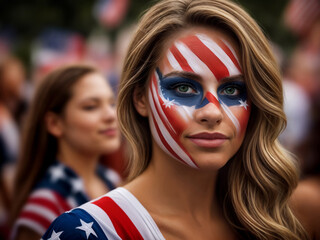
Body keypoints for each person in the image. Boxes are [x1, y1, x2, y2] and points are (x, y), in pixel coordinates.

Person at [42, 0, 309, 239]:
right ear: (140, 99)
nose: (212, 112)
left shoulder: (275, 220)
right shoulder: (91, 231)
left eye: (232, 90)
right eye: (183, 88)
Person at [10, 64, 121, 240]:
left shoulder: (112, 179)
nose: (111, 115)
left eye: (111, 103)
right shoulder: (44, 206)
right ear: (55, 123)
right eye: (91, 106)